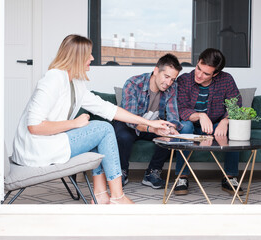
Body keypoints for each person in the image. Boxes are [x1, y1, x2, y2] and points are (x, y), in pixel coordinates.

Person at [11, 34, 173, 204]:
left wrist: (149, 122)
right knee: (103, 129)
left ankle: (100, 195)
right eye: (89, 54)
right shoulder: (52, 79)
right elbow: (34, 126)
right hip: (36, 148)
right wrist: (74, 123)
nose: (92, 58)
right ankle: (117, 197)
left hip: (50, 142)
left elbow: (109, 109)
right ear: (76, 57)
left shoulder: (76, 83)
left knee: (100, 131)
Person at [174, 48, 244, 196]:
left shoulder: (226, 80)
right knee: (184, 126)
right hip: (191, 125)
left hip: (215, 126)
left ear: (216, 74)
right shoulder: (184, 80)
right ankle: (182, 177)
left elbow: (235, 104)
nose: (199, 75)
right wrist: (200, 115)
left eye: (206, 73)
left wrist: (225, 121)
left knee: (233, 128)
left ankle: (230, 177)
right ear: (198, 62)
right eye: (199, 68)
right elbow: (180, 109)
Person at [114, 54, 183, 189]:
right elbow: (131, 120)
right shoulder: (133, 84)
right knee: (123, 136)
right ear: (156, 71)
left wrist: (172, 128)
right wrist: (152, 128)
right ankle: (121, 172)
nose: (168, 83)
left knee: (170, 137)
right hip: (129, 124)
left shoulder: (172, 87)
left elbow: (173, 115)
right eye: (166, 77)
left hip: (154, 125)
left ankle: (152, 173)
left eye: (172, 79)